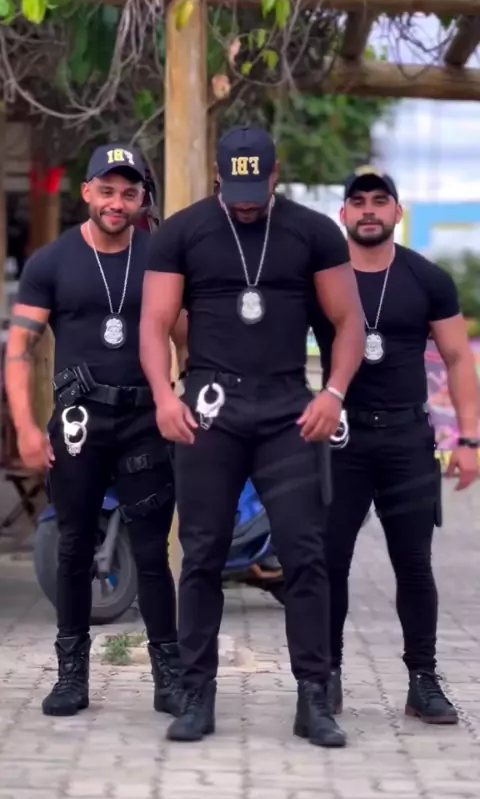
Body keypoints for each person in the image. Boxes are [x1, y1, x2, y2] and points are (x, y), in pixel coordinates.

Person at [140, 125, 366, 747]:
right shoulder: (183, 232)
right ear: (217, 175)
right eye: (234, 190)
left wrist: (333, 393)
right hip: (210, 408)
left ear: (275, 174)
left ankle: (314, 697)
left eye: (256, 189)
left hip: (288, 408)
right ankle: (196, 695)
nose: (245, 203)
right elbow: (154, 322)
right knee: (201, 554)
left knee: (305, 553)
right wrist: (164, 397)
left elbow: (348, 320)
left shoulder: (312, 232)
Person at [5, 143, 187, 719]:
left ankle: (169, 677)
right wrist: (27, 428)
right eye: (106, 191)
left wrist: (186, 400)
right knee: (74, 548)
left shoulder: (160, 256)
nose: (117, 202)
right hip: (78, 425)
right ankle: (71, 677)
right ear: (86, 192)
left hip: (143, 423)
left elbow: (186, 335)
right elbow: (19, 349)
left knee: (152, 551)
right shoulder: (52, 262)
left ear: (140, 199)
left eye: (129, 193)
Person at [311, 165, 479, 725]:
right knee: (329, 561)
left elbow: (457, 358)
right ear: (343, 213)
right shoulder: (322, 279)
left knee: (413, 563)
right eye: (358, 201)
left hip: (408, 439)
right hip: (342, 439)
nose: (368, 210)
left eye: (379, 201)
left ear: (396, 212)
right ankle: (326, 676)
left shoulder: (427, 278)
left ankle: (422, 682)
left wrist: (469, 438)